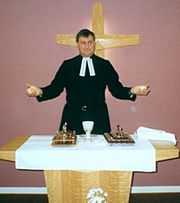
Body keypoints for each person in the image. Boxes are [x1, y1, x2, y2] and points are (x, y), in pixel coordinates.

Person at [26, 29, 150, 134]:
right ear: (77, 44)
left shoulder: (104, 65)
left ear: (94, 44)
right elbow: (55, 89)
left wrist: (132, 91)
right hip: (72, 117)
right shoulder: (68, 65)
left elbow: (117, 90)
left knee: (98, 159)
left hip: (99, 118)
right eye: (83, 43)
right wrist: (40, 92)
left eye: (90, 42)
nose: (87, 46)